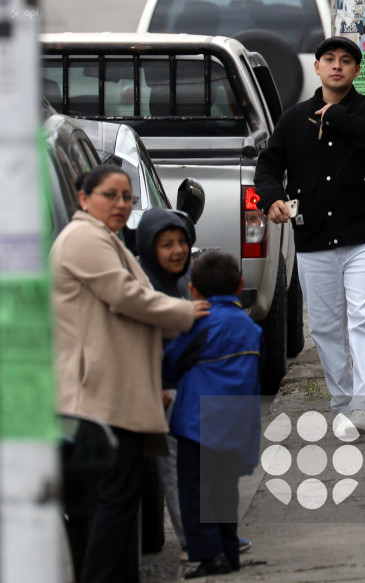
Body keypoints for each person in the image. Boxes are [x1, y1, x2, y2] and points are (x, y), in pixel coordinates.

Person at [50, 164, 210, 583]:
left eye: (127, 198)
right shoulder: (84, 238)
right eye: (110, 195)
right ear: (84, 199)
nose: (120, 204)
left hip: (116, 392)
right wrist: (185, 313)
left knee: (119, 504)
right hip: (99, 396)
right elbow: (128, 297)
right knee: (113, 503)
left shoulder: (105, 238)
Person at [254, 36, 365, 434]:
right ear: (316, 67)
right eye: (329, 60)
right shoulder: (292, 119)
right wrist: (271, 199)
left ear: (356, 70)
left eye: (347, 61)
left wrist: (336, 117)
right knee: (325, 326)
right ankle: (342, 402)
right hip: (314, 236)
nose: (337, 66)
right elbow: (267, 166)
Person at [163, 250, 262, 579]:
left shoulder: (199, 324)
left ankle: (208, 555)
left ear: (193, 290)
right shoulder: (251, 329)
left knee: (195, 493)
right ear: (241, 285)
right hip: (236, 423)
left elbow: (172, 363)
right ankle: (229, 551)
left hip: (198, 422)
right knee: (224, 492)